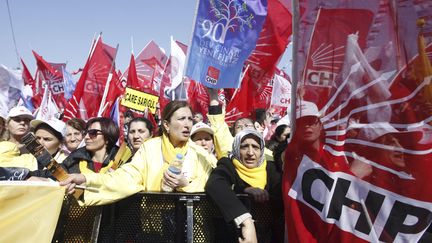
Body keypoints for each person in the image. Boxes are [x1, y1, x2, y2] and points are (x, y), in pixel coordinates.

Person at [61, 100, 217, 206]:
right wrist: (85, 179)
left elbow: (215, 186)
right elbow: (124, 178)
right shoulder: (149, 148)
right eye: (182, 118)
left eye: (190, 119)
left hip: (193, 229)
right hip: (154, 229)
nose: (187, 124)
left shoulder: (200, 153)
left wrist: (185, 185)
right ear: (167, 125)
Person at [205, 129, 282, 243]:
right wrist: (245, 218)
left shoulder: (270, 168)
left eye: (255, 147)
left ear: (261, 151)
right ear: (236, 148)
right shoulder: (228, 165)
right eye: (244, 147)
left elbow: (281, 190)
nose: (250, 152)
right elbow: (215, 184)